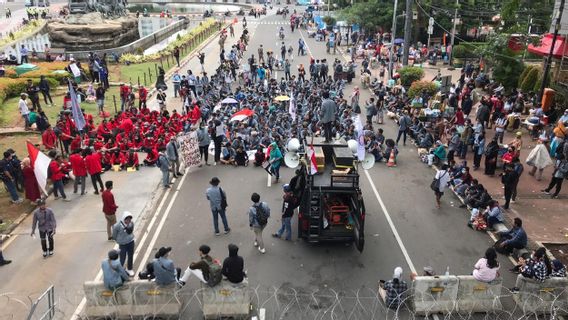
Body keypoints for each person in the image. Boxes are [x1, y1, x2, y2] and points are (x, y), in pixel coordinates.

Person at [112, 211, 135, 277]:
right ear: (124, 218)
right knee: (122, 257)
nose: (128, 221)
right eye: (127, 219)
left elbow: (131, 231)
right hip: (122, 244)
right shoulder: (117, 226)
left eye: (130, 219)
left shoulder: (131, 224)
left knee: (130, 256)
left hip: (131, 242)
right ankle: (120, 270)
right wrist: (119, 240)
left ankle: (129, 269)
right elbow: (114, 235)